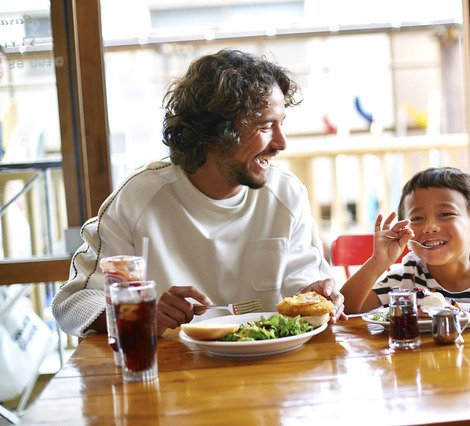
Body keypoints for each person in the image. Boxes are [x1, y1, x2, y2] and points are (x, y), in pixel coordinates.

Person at [52, 49, 346, 338]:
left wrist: (320, 294)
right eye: (266, 126)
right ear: (217, 130)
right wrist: (139, 314)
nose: (281, 143)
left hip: (269, 372)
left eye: (281, 124)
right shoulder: (138, 199)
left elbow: (306, 283)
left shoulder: (286, 194)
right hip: (171, 376)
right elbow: (72, 304)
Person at [340, 167, 470, 314]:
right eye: (416, 218)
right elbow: (345, 309)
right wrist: (378, 262)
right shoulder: (406, 279)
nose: (430, 227)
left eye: (445, 214)